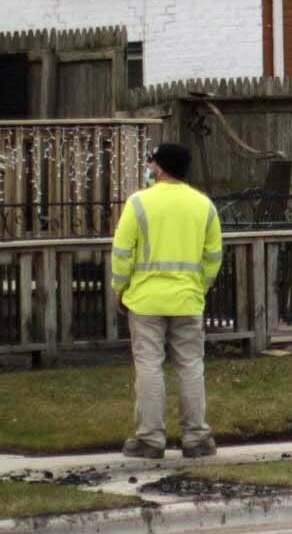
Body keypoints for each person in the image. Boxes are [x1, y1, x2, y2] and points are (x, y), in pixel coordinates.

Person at [111, 141, 222, 460]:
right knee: (190, 365)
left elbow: (122, 252)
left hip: (145, 300)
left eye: (152, 163)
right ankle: (196, 438)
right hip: (187, 299)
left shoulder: (138, 203)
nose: (149, 168)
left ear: (160, 167)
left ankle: (150, 438)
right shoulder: (204, 206)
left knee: (149, 366)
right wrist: (200, 287)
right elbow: (213, 256)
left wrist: (120, 288)